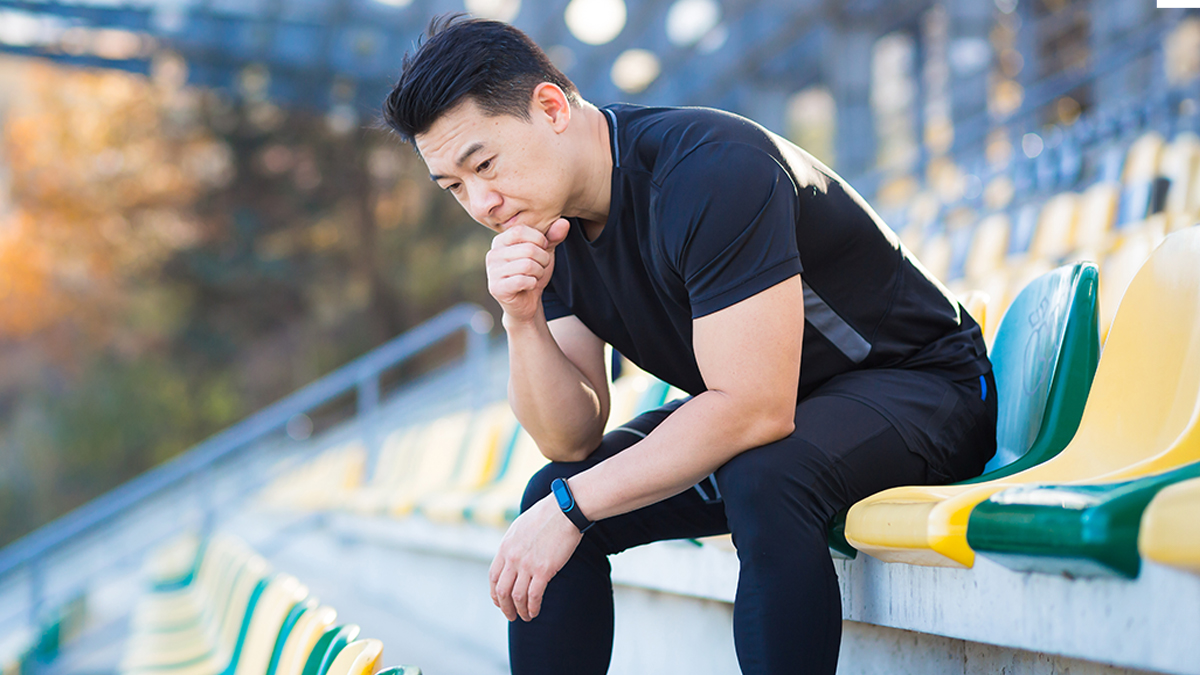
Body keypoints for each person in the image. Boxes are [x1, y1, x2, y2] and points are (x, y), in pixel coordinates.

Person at [381, 15, 996, 675]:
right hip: (790, 412)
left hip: (921, 386)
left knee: (762, 473)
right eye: (454, 187)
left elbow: (755, 409)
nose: (481, 204)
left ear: (552, 107)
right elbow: (571, 438)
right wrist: (521, 316)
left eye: (484, 165)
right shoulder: (545, 222)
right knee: (552, 488)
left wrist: (574, 506)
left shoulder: (709, 168)